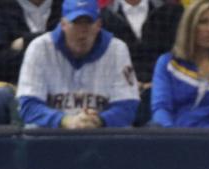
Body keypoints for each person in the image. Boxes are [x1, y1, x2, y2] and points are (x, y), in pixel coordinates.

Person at [16, 0, 140, 128]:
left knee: (124, 127)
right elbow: (28, 106)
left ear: (98, 25)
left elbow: (128, 106)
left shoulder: (117, 49)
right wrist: (65, 121)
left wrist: (99, 120)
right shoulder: (40, 47)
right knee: (33, 126)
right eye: (76, 23)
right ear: (63, 24)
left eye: (88, 23)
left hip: (101, 134)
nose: (82, 32)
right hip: (52, 135)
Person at [150, 0, 209, 127]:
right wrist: (173, 137)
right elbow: (161, 109)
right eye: (203, 22)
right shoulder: (167, 63)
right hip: (171, 138)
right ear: (189, 26)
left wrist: (200, 140)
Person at [101, 0, 186, 126]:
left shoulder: (173, 11)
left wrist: (157, 84)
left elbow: (181, 56)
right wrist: (130, 87)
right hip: (119, 96)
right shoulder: (103, 17)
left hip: (165, 93)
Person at [0, 0, 63, 125]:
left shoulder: (65, 7)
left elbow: (70, 50)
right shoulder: (1, 10)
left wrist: (26, 41)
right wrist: (46, 52)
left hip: (60, 85)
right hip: (16, 85)